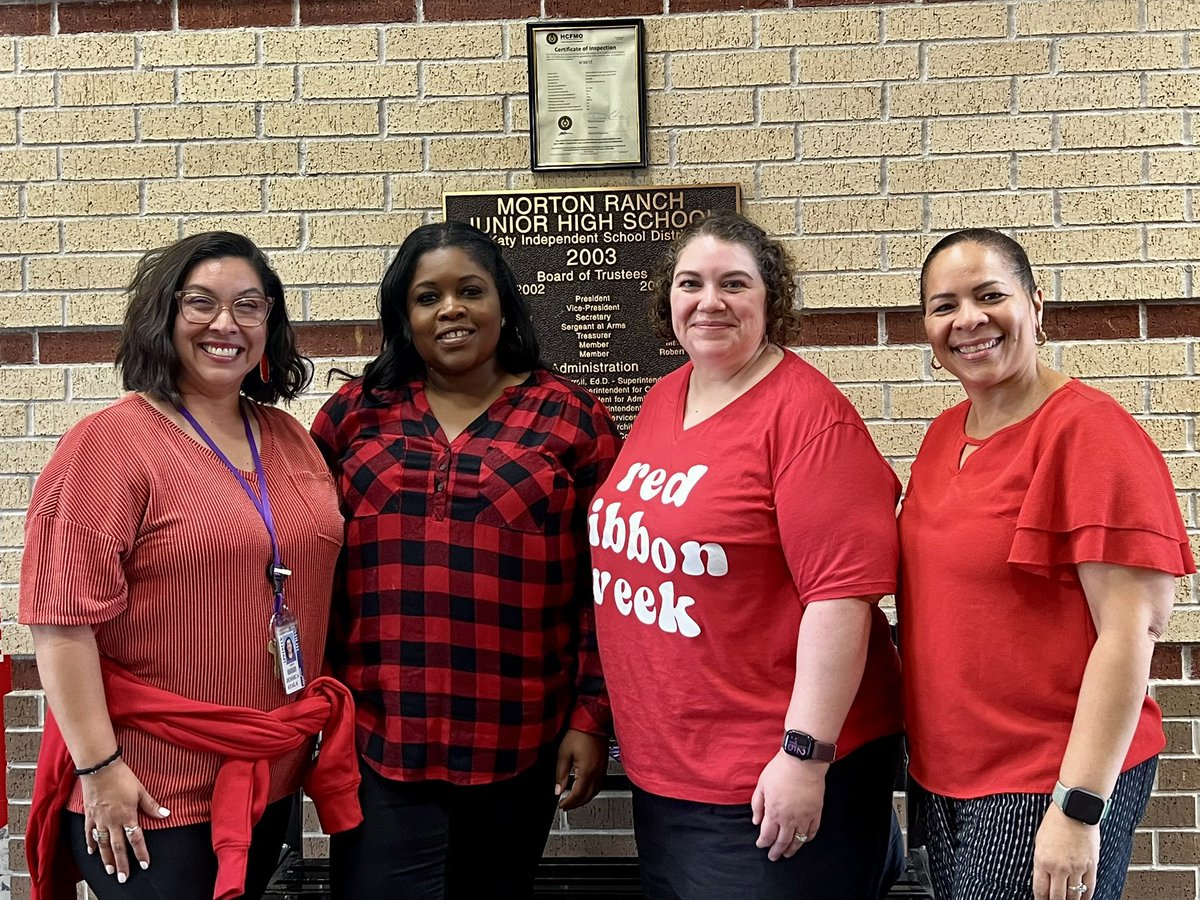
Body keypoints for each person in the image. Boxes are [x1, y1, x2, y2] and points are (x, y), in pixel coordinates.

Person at [20, 232, 361, 900]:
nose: (225, 324)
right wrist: (99, 769)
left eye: (249, 306)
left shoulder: (289, 439)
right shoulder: (108, 445)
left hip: (268, 771)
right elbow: (59, 625)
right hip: (150, 784)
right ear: (164, 316)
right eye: (200, 303)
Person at [590, 211, 905, 900]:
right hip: (671, 765)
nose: (710, 301)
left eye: (734, 283)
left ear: (771, 300)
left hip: (765, 776)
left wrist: (805, 756)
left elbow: (843, 599)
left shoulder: (809, 418)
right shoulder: (667, 396)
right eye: (690, 283)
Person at [310, 221, 621, 899]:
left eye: (470, 291)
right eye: (428, 297)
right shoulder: (354, 415)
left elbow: (607, 585)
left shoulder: (571, 418)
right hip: (378, 739)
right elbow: (309, 569)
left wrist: (591, 718)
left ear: (503, 303)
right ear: (404, 317)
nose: (451, 309)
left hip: (521, 739)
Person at [898, 229, 1192, 900]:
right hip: (946, 771)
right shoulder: (944, 434)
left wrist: (1078, 806)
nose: (968, 320)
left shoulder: (1092, 433)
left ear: (1035, 305)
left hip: (1044, 778)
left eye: (989, 296)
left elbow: (1132, 632)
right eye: (944, 306)